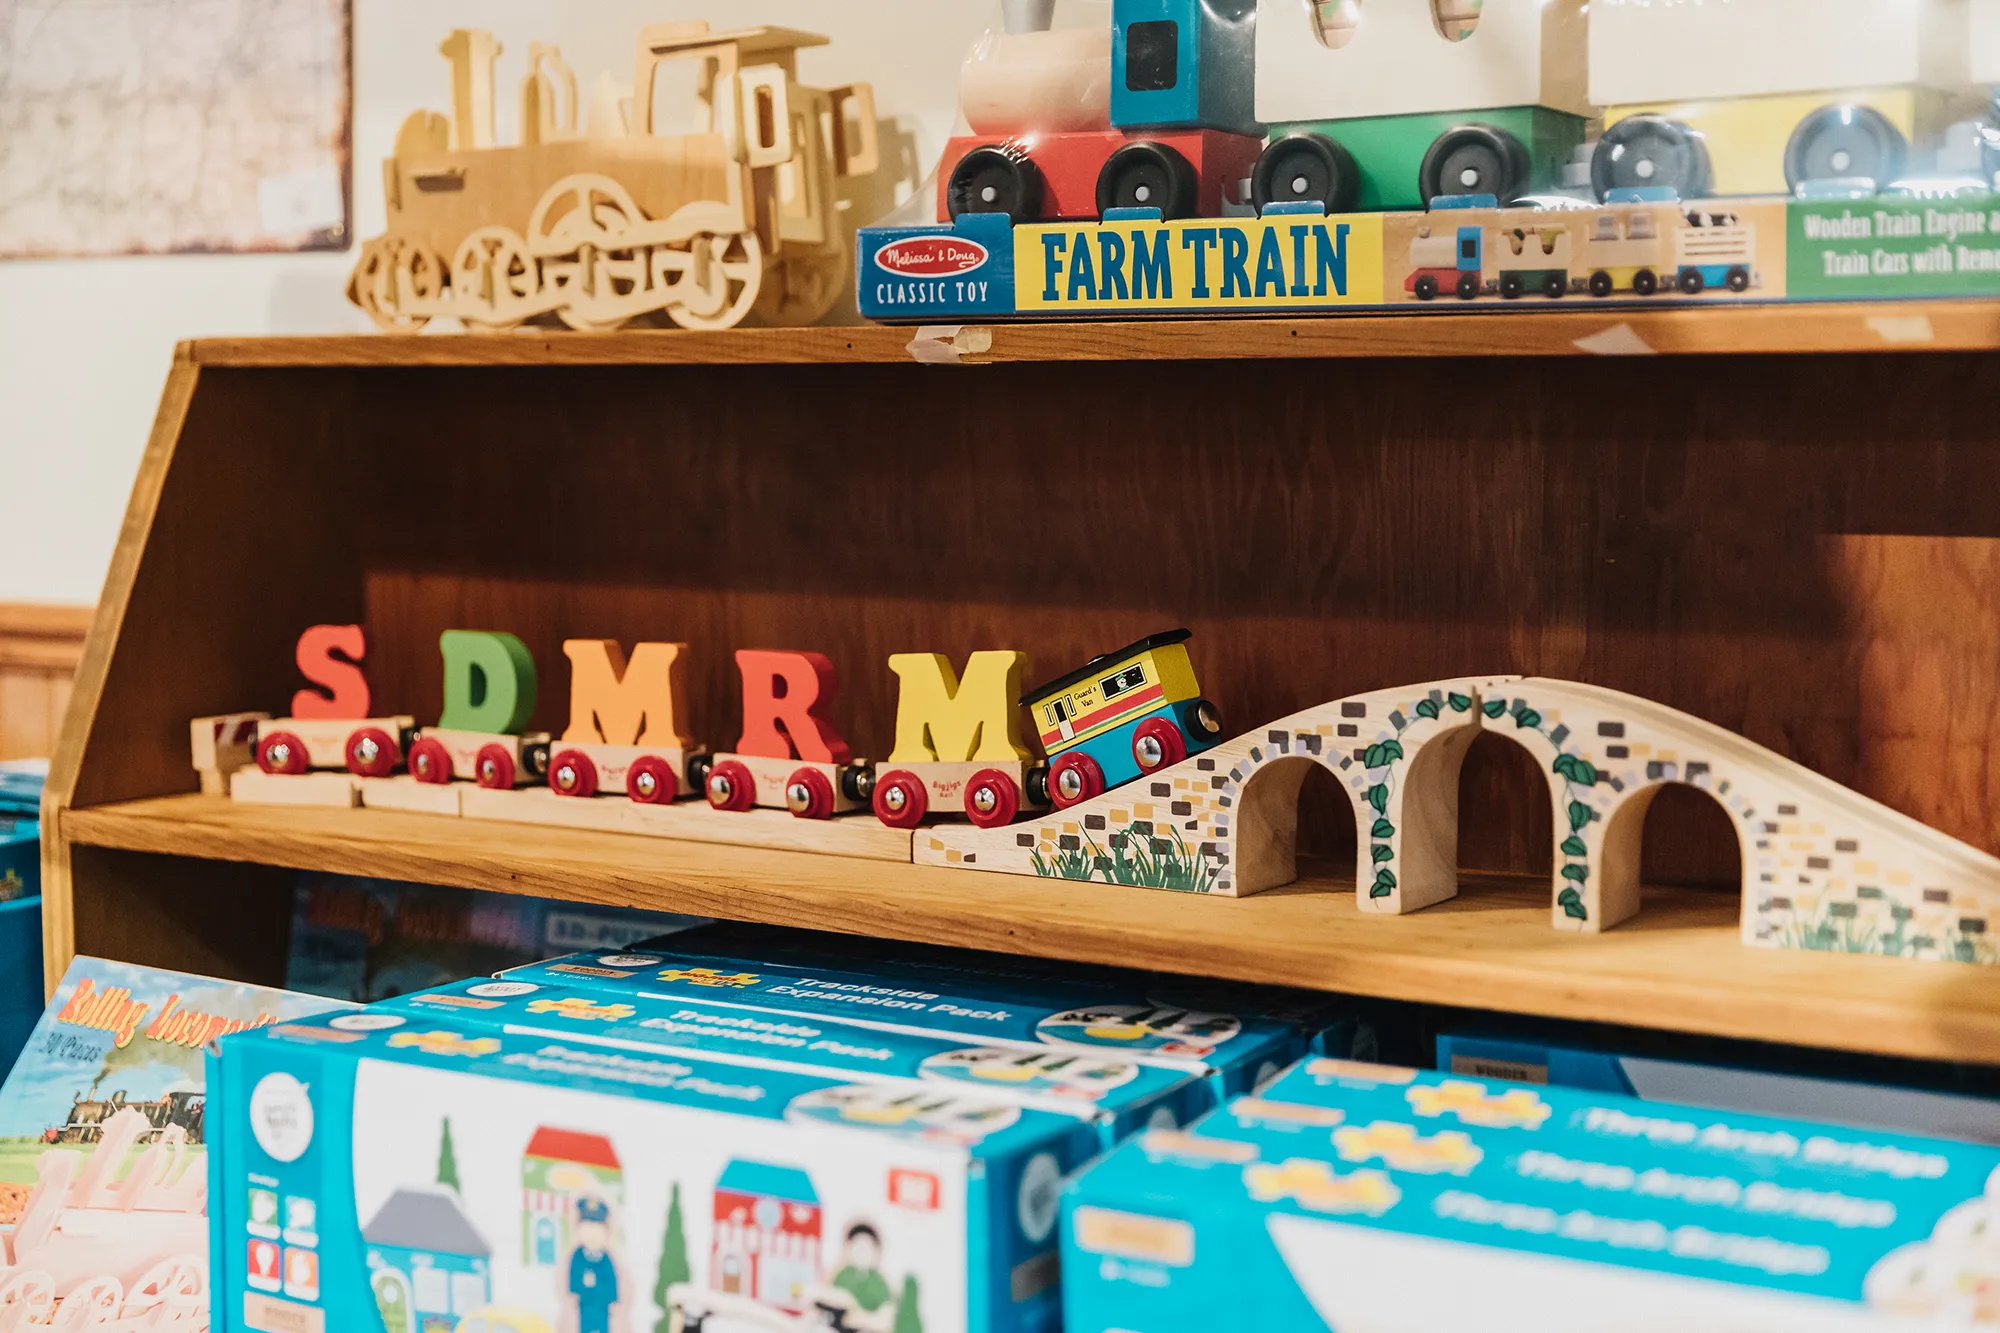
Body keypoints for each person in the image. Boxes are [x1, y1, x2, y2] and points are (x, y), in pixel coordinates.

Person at [567, 1196, 622, 1333]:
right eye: (587, 1226)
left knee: (602, 1328)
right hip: (585, 1303)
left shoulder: (606, 1259)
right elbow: (574, 1274)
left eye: (597, 1227)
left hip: (602, 1304)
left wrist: (613, 1300)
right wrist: (574, 1291)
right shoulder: (578, 1256)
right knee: (585, 1327)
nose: (592, 1232)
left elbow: (611, 1278)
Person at [830, 1222, 891, 1313]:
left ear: (875, 1252)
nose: (861, 1253)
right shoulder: (843, 1274)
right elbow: (833, 1297)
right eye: (857, 1247)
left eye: (866, 1249)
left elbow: (884, 1307)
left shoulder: (878, 1281)